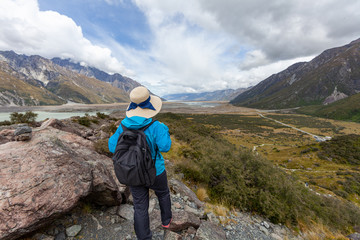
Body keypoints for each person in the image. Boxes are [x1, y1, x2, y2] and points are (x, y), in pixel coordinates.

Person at [108, 86, 172, 240]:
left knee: (140, 206)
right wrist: (165, 130)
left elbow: (111, 146)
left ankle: (144, 237)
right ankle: (166, 221)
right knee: (163, 194)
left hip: (134, 171)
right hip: (155, 171)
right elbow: (165, 147)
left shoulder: (123, 125)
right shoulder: (156, 126)